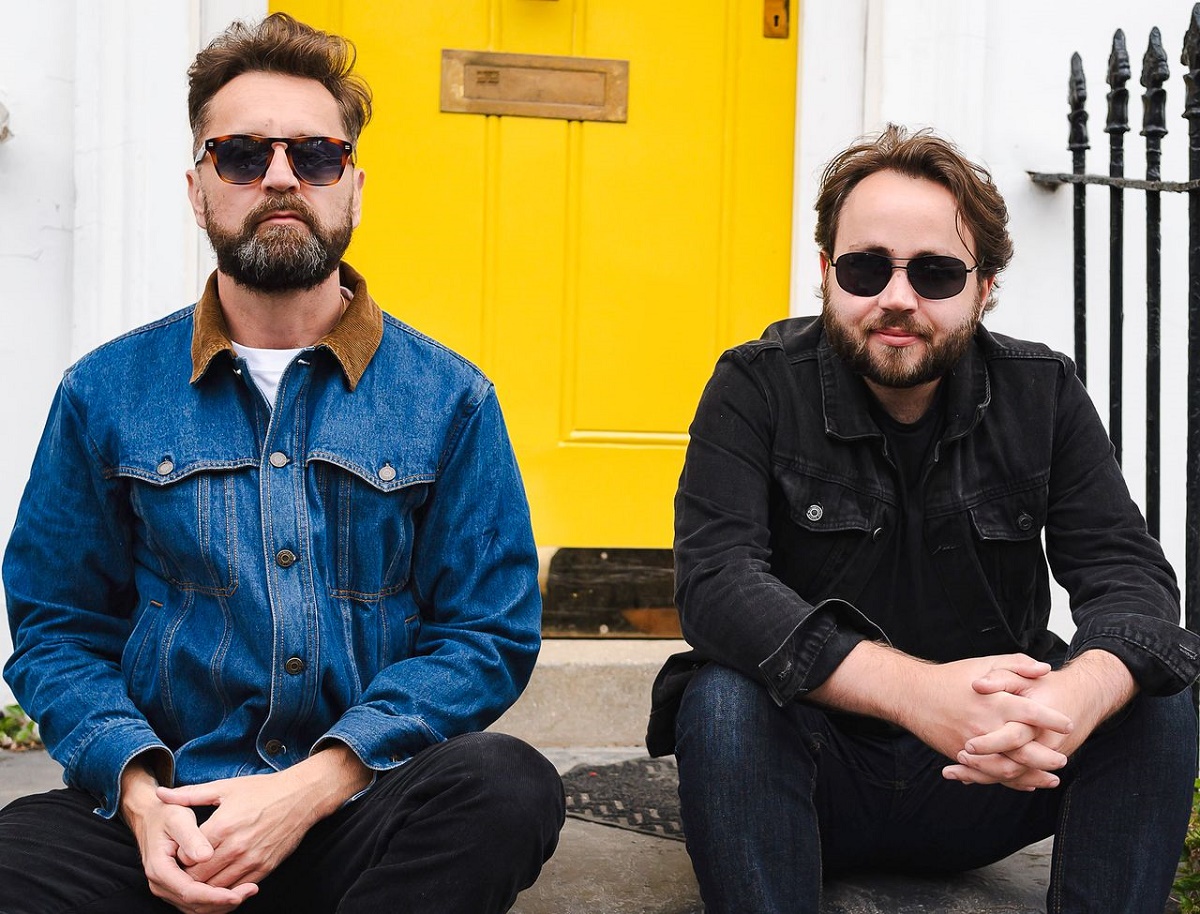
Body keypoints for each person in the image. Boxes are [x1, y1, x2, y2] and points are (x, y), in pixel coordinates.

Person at [0, 13, 563, 914]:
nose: (279, 178)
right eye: (240, 156)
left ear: (354, 186)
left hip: (358, 810)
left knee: (509, 787)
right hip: (171, 810)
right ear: (197, 187)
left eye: (315, 155)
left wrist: (312, 787)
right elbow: (58, 623)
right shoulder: (104, 393)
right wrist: (142, 799)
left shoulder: (449, 400)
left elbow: (485, 635)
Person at [647, 124, 1200, 914]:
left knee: (1149, 687)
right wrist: (918, 695)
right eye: (867, 268)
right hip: (812, 775)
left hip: (994, 773)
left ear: (986, 287)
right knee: (720, 697)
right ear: (826, 273)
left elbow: (1129, 576)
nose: (897, 299)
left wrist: (1074, 699)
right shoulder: (756, 386)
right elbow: (717, 584)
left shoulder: (1042, 394)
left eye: (937, 273)